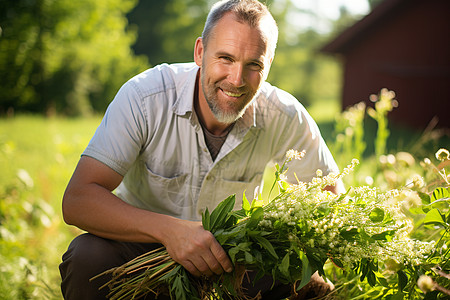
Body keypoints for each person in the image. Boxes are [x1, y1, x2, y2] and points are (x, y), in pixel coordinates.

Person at [59, 0, 345, 299]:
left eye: (253, 65)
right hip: (143, 251)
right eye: (225, 58)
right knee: (87, 256)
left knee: (305, 281)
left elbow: (330, 201)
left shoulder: (285, 115)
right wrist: (171, 232)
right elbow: (78, 199)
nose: (236, 79)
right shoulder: (145, 97)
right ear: (200, 52)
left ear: (268, 65)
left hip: (233, 259)